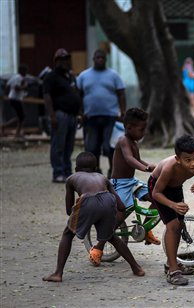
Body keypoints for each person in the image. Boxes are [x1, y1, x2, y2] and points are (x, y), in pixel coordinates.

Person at [42, 152, 145, 282]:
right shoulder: (102, 177)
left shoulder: (72, 178)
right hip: (108, 200)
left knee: (68, 234)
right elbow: (121, 206)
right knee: (111, 237)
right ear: (96, 168)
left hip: (87, 201)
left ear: (76, 169)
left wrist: (85, 216)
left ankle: (58, 273)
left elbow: (69, 210)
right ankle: (137, 268)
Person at [89, 107, 159, 266]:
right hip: (119, 184)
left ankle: (146, 229)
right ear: (129, 127)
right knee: (119, 217)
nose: (144, 133)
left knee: (156, 196)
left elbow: (138, 160)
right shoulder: (123, 141)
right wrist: (146, 169)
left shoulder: (134, 142)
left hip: (131, 182)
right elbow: (129, 159)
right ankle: (98, 247)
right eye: (141, 129)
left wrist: (152, 167)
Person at [149, 135, 194, 285]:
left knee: (180, 225)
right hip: (158, 188)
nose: (193, 163)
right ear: (178, 159)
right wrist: (173, 205)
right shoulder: (169, 168)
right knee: (173, 225)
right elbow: (156, 193)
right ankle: (173, 271)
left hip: (175, 188)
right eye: (188, 160)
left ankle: (171, 263)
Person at [77, 49, 126, 178]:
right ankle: (95, 171)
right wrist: (80, 113)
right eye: (98, 57)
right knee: (92, 147)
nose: (100, 60)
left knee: (110, 146)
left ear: (106, 59)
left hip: (110, 117)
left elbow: (121, 93)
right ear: (93, 59)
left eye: (103, 58)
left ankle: (112, 171)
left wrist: (122, 112)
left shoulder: (113, 75)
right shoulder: (83, 75)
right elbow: (78, 95)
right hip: (90, 117)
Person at [43, 48, 82, 183]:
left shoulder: (70, 77)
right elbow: (47, 96)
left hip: (72, 116)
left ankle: (67, 171)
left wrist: (79, 114)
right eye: (62, 59)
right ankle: (58, 172)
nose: (65, 62)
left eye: (67, 59)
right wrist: (52, 116)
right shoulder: (51, 76)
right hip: (60, 115)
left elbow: (76, 95)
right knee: (58, 145)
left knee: (69, 146)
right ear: (56, 61)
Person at [2, 64, 28, 137]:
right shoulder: (19, 78)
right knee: (21, 117)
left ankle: (6, 127)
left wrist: (8, 94)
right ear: (21, 71)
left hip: (13, 98)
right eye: (25, 71)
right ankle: (17, 133)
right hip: (16, 99)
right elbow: (17, 88)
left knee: (20, 117)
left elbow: (7, 85)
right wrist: (24, 86)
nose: (26, 73)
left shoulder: (14, 77)